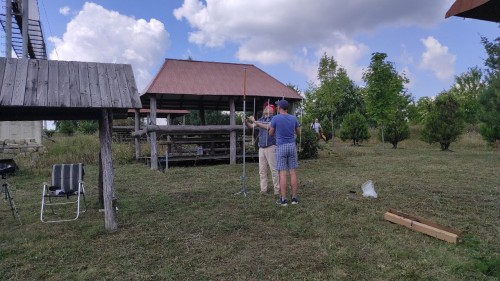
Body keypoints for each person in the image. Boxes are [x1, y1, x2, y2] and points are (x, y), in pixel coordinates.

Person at [269, 99, 301, 206]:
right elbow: (298, 132)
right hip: (292, 146)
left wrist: (271, 129)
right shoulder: (293, 118)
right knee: (292, 172)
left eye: (278, 106)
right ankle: (294, 199)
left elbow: (271, 133)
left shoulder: (275, 118)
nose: (277, 107)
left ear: (280, 108)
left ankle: (283, 199)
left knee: (282, 173)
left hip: (281, 147)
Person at [243, 102, 280, 195]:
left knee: (274, 169)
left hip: (271, 146)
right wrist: (246, 122)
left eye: (267, 107)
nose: (265, 108)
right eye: (265, 107)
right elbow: (252, 127)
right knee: (262, 170)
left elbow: (268, 127)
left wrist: (255, 121)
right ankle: (263, 189)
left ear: (272, 110)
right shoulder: (262, 119)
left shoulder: (274, 119)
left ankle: (277, 189)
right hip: (262, 147)